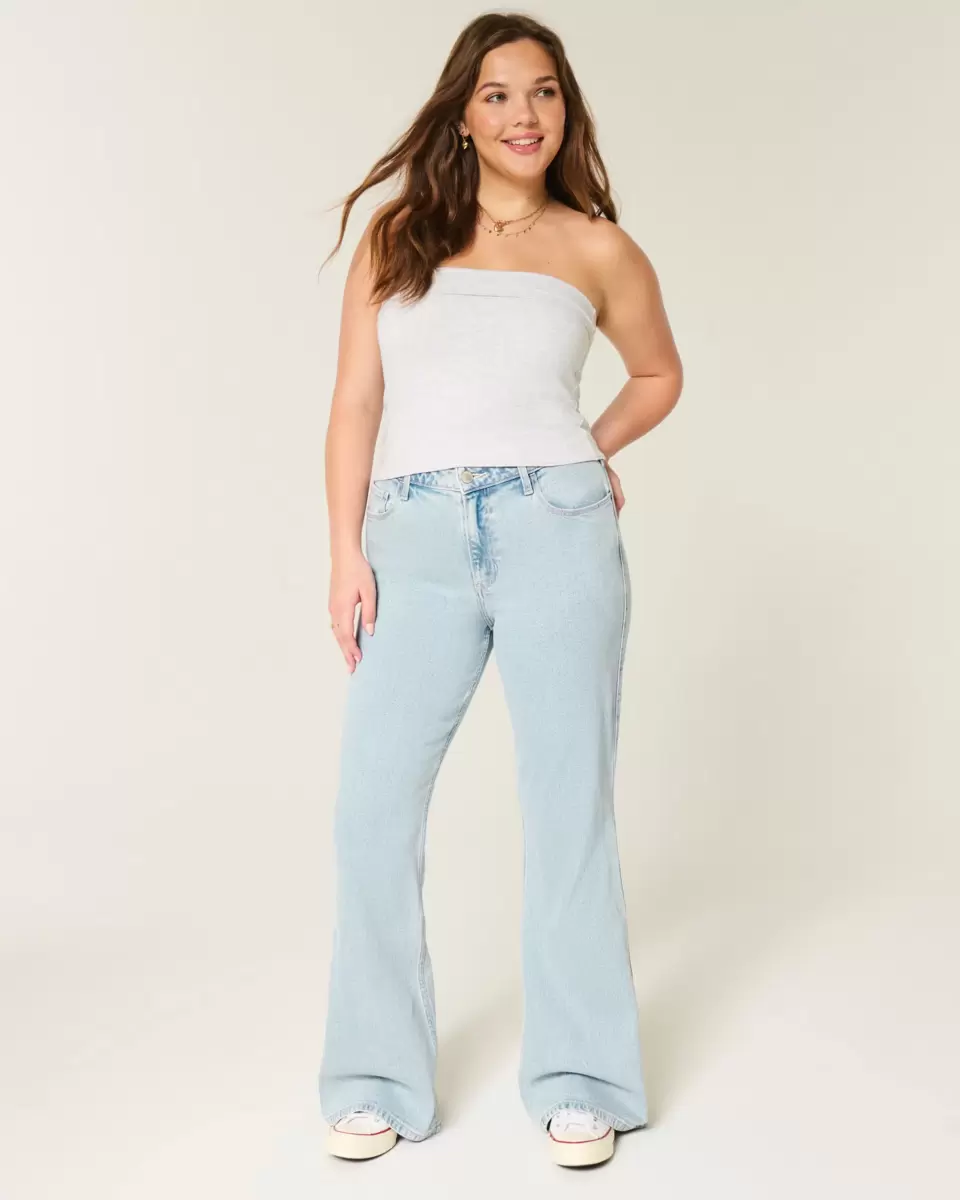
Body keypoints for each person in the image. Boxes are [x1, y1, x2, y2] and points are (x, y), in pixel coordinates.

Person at [317, 12, 683, 1169]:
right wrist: (346, 552)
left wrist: (588, 448)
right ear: (462, 115)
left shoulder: (598, 248)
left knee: (569, 806)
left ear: (566, 108)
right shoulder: (399, 237)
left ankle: (582, 1076)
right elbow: (356, 403)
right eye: (497, 95)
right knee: (373, 807)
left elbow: (659, 373)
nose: (525, 115)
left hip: (555, 532)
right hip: (413, 539)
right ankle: (374, 1076)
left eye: (544, 92)